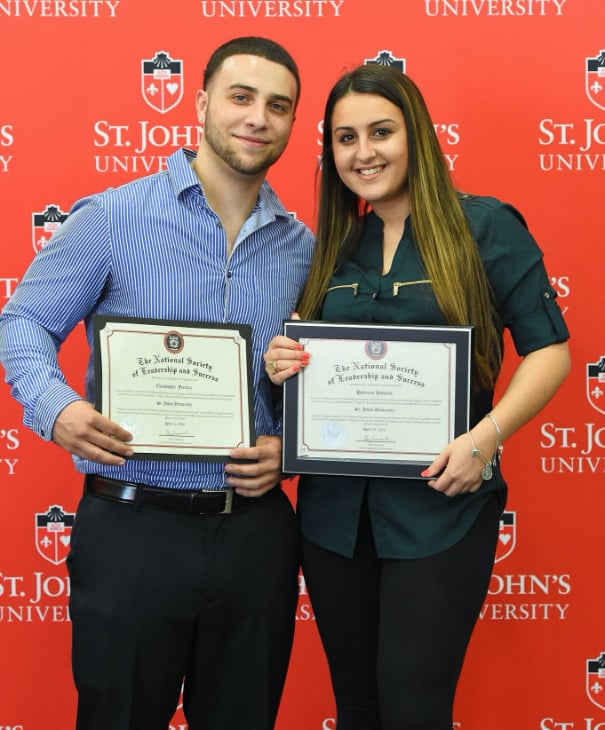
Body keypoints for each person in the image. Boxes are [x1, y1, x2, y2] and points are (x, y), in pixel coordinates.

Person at [0, 36, 314, 730]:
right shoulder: (112, 219)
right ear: (201, 103)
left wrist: (289, 448)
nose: (257, 117)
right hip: (133, 528)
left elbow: (312, 382)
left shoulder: (305, 250)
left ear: (294, 124)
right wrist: (57, 410)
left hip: (254, 538)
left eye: (278, 105)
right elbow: (23, 320)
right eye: (240, 97)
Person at [263, 63, 570, 730]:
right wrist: (281, 361)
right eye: (344, 138)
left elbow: (548, 351)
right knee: (358, 708)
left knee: (414, 708)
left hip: (442, 510)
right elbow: (304, 373)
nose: (362, 152)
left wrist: (484, 438)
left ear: (417, 137)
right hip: (333, 519)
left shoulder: (485, 228)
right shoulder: (333, 248)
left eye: (380, 132)